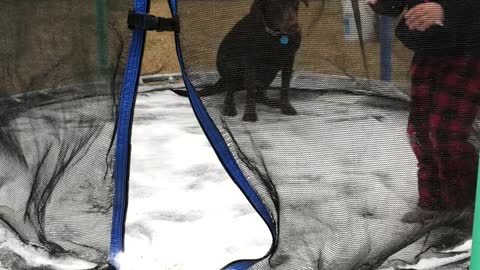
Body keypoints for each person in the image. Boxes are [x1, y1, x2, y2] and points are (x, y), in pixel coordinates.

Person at [367, 0, 480, 223]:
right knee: (419, 132)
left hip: (469, 51)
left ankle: (465, 205)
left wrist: (447, 10)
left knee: (445, 133)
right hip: (429, 50)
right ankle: (433, 202)